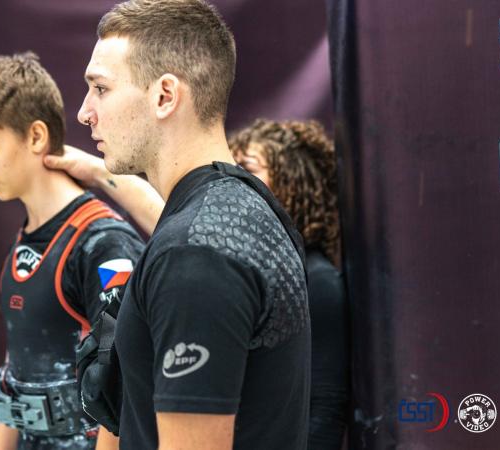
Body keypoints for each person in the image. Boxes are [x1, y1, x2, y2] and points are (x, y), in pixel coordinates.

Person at [70, 1, 311, 448]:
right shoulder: (240, 208)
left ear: (165, 96)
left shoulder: (193, 256)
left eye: (100, 88)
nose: (85, 112)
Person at [0, 52, 144, 450]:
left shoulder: (104, 244)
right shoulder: (27, 242)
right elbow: (15, 370)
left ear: (36, 136)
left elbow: (123, 385)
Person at [229, 119, 349, 449]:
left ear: (292, 181)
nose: (233, 181)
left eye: (248, 168)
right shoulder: (242, 269)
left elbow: (325, 408)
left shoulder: (318, 281)